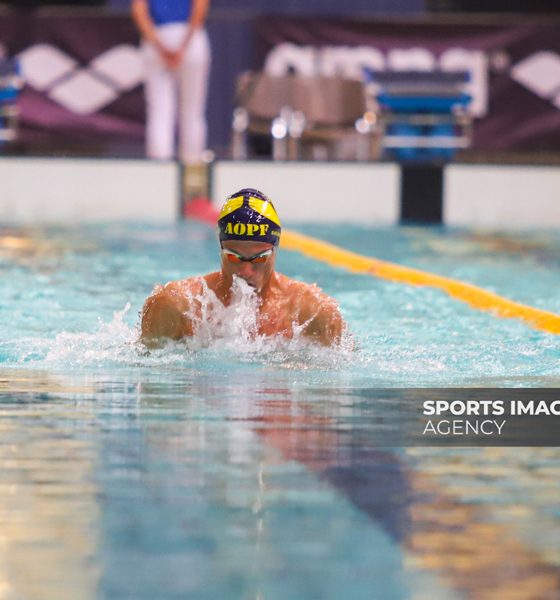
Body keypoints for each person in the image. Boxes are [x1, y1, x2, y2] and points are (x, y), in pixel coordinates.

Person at [141, 188, 346, 347]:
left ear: (275, 250)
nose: (245, 271)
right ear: (220, 249)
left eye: (259, 259)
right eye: (234, 257)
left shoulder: (312, 313)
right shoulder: (177, 306)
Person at [131, 0, 210, 162]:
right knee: (192, 110)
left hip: (157, 35)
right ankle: (192, 166)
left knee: (159, 111)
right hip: (190, 37)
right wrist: (184, 45)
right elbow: (200, 8)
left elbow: (139, 11)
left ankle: (160, 166)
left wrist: (159, 45)